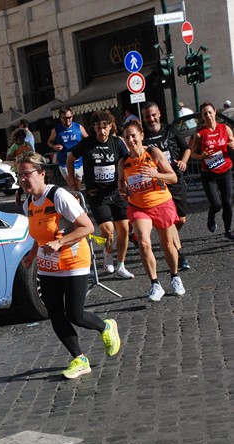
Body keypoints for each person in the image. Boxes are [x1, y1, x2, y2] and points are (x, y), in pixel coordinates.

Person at [18, 151, 120, 380]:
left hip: (74, 261)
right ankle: (79, 359)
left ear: (42, 173)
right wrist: (32, 255)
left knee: (74, 314)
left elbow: (87, 227)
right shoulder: (28, 204)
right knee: (55, 314)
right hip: (47, 265)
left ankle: (105, 327)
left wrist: (60, 241)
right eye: (20, 175)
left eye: (27, 174)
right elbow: (39, 235)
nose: (23, 179)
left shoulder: (58, 195)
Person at [118, 120, 186, 302]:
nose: (131, 140)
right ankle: (155, 283)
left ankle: (174, 276)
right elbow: (121, 182)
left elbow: (172, 177)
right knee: (144, 243)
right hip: (139, 207)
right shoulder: (123, 162)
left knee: (168, 246)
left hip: (161, 203)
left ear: (141, 135)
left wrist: (156, 175)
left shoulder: (153, 152)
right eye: (127, 137)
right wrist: (123, 189)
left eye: (133, 135)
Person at [67, 109, 134, 279]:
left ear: (111, 126)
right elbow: (70, 158)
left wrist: (127, 181)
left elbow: (129, 161)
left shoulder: (117, 143)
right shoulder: (87, 143)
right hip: (97, 195)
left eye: (105, 127)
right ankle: (108, 253)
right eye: (98, 127)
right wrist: (73, 184)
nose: (102, 131)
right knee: (108, 230)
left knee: (125, 229)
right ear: (94, 128)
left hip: (116, 192)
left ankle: (121, 265)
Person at [142, 101, 192, 270]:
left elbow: (187, 148)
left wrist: (184, 162)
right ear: (144, 118)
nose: (151, 119)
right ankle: (180, 255)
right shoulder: (142, 137)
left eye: (153, 115)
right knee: (170, 222)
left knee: (181, 219)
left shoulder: (170, 130)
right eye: (147, 116)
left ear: (159, 114)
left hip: (175, 179)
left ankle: (169, 238)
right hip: (158, 185)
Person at [191, 101, 234, 240]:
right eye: (205, 114)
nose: (208, 115)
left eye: (210, 112)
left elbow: (232, 141)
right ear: (202, 117)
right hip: (209, 175)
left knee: (227, 202)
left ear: (215, 112)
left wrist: (232, 144)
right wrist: (202, 156)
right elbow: (192, 154)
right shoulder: (199, 134)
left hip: (225, 170)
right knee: (216, 204)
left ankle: (228, 230)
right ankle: (211, 217)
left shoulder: (225, 128)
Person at [47, 106, 88, 191]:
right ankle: (77, 203)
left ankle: (77, 203)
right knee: (73, 187)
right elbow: (49, 141)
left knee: (77, 188)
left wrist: (83, 147)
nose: (68, 120)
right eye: (65, 118)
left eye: (70, 117)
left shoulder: (78, 127)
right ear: (60, 118)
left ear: (72, 116)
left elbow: (88, 140)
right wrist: (54, 146)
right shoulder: (56, 130)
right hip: (64, 163)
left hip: (78, 163)